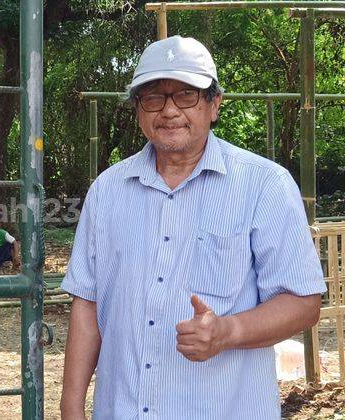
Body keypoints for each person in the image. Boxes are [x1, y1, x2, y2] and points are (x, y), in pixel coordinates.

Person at [60, 36, 325, 420]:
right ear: (138, 110)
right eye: (154, 97)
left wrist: (227, 331)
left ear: (214, 105)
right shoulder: (107, 191)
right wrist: (71, 409)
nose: (169, 111)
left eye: (186, 95)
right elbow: (87, 303)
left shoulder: (264, 185)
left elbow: (304, 303)